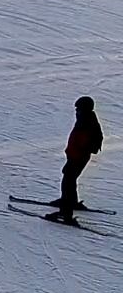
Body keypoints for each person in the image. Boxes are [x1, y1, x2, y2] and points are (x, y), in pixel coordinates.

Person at [47, 96, 104, 224]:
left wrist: (76, 154)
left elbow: (83, 142)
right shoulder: (85, 119)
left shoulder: (86, 122)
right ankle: (71, 202)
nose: (76, 111)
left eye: (78, 108)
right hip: (76, 156)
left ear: (84, 109)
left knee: (67, 182)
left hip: (78, 157)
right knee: (69, 180)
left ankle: (65, 213)